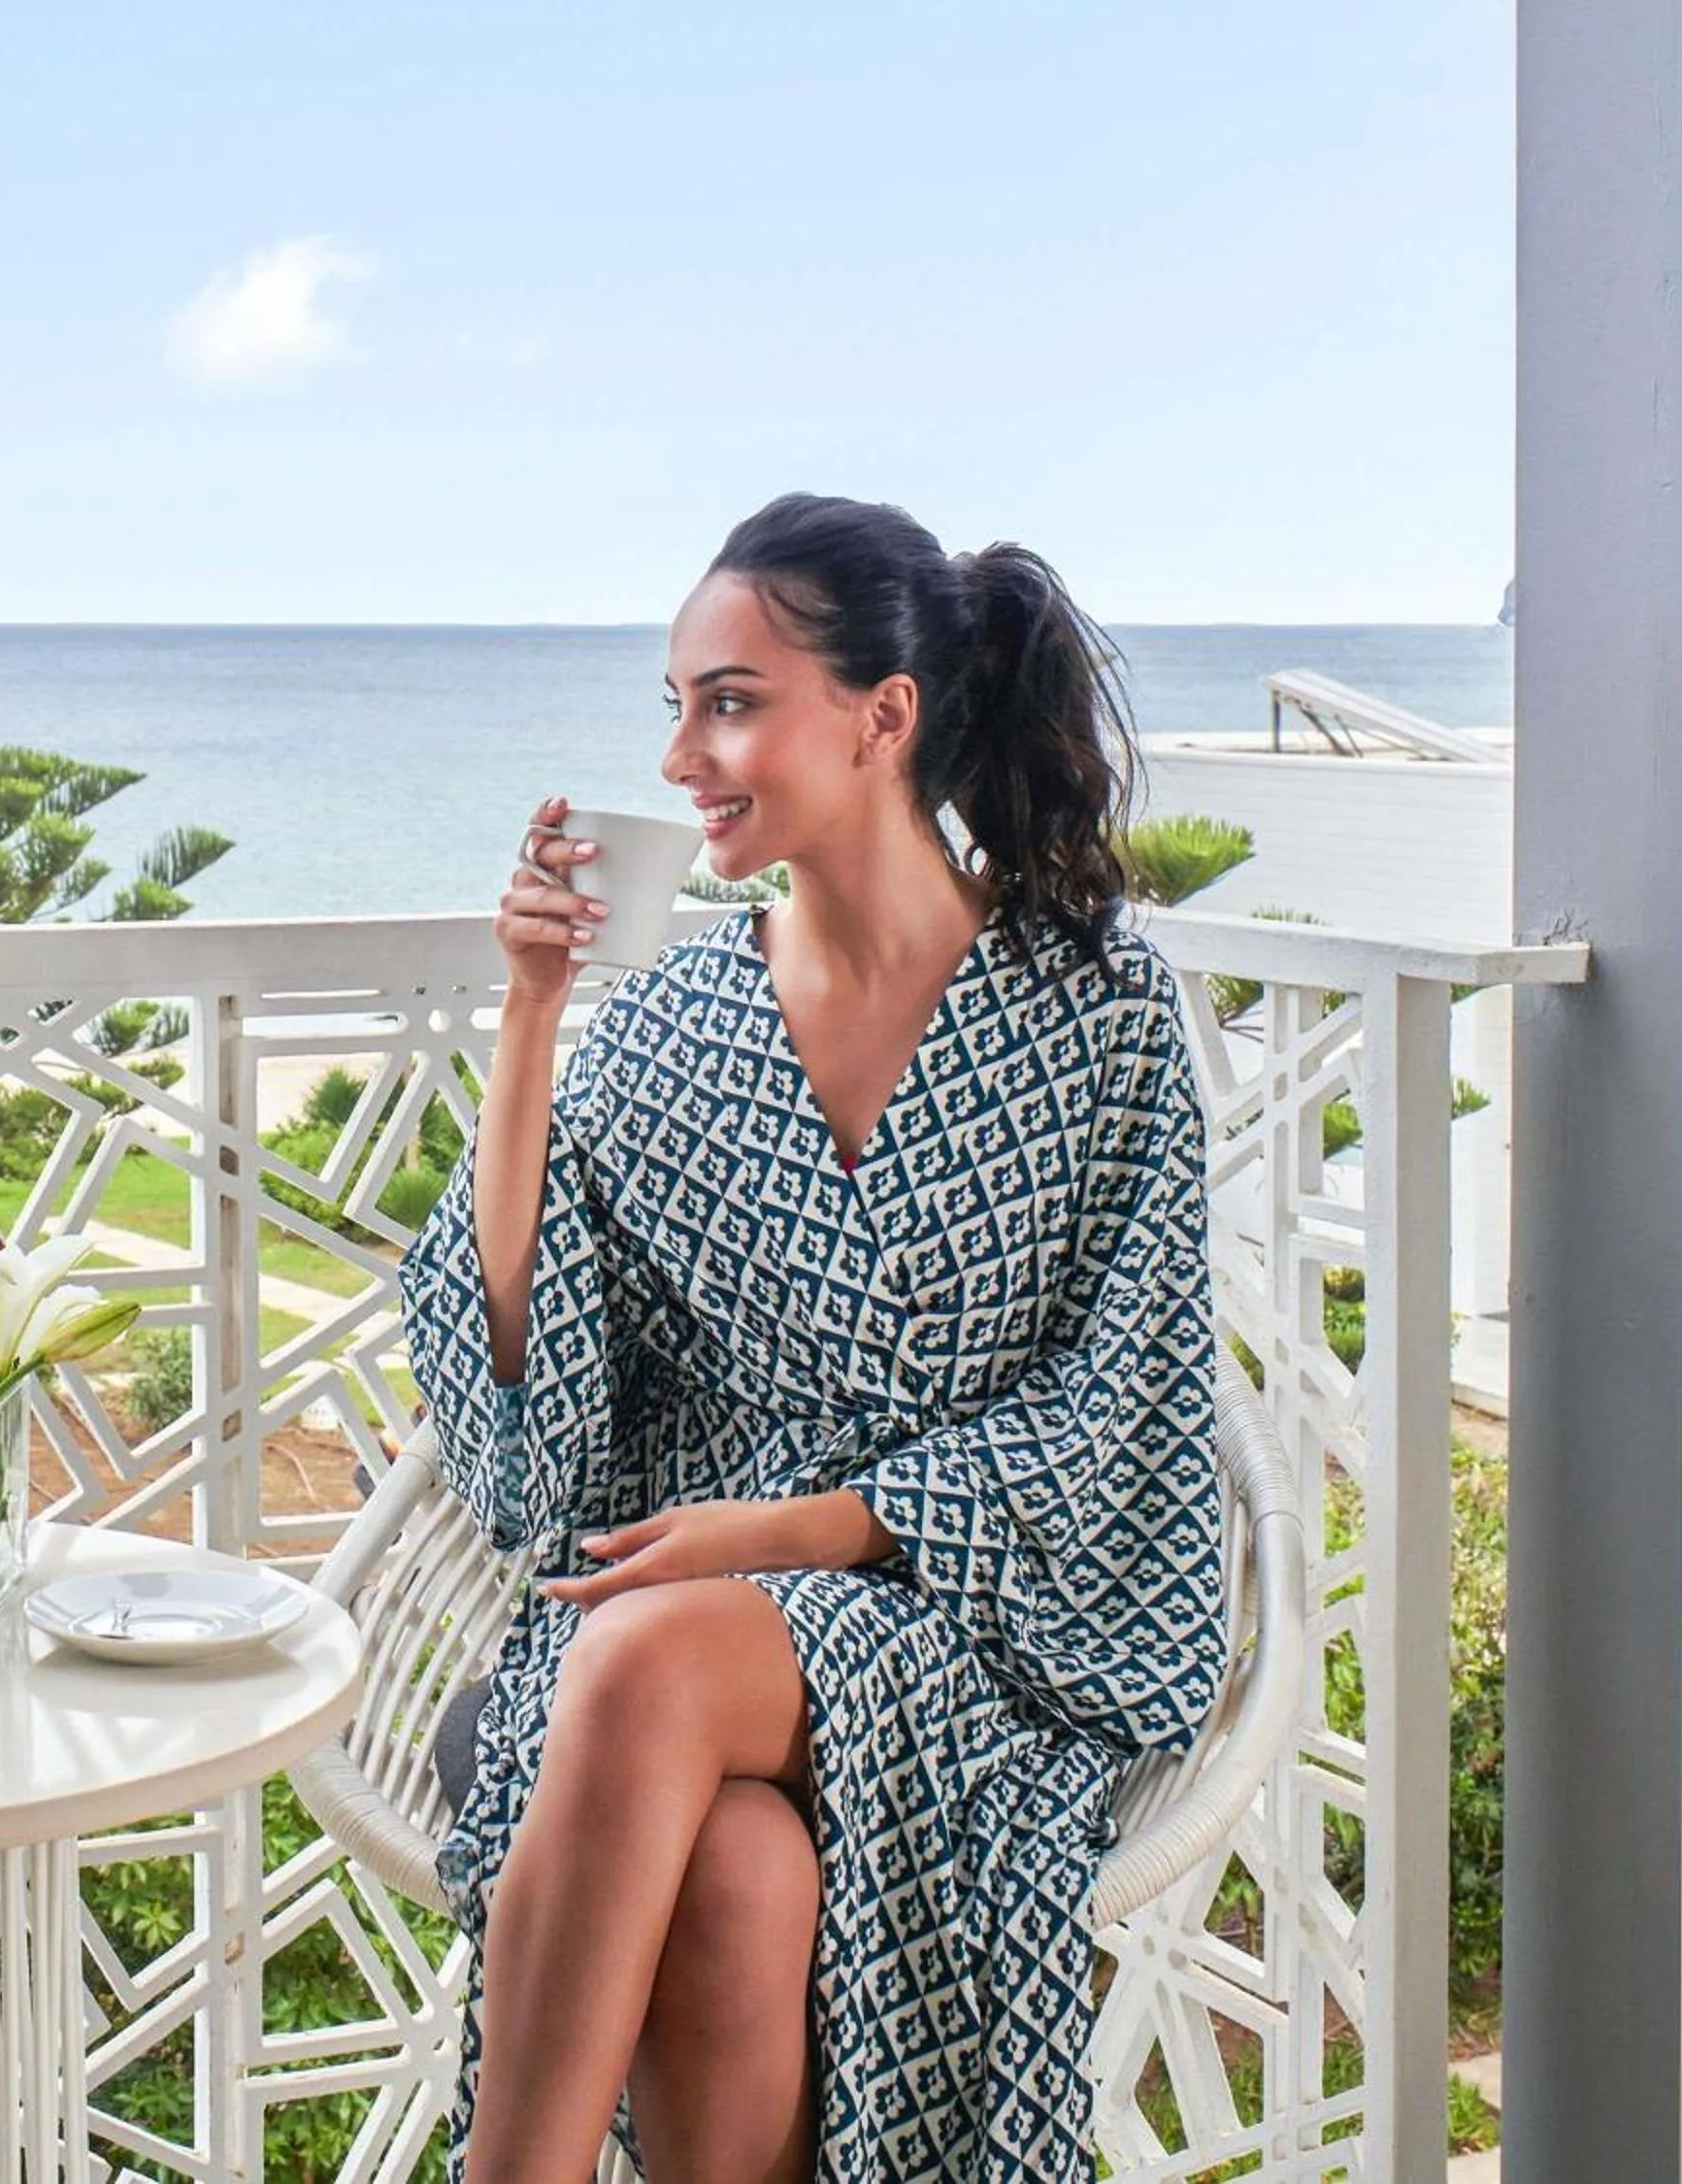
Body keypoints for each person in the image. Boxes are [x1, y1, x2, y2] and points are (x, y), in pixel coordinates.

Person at [391, 491, 1229, 2183]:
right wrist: (534, 1023)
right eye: (679, 706)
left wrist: (795, 1534)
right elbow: (533, 1363)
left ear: (882, 715)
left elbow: (1125, 1405)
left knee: (649, 1650)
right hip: (689, 1650)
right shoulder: (678, 1019)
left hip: (982, 1633)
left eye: (732, 699)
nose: (687, 753)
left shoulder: (1097, 1010)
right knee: (741, 1877)